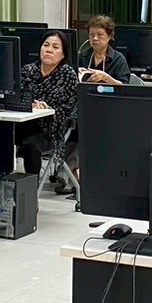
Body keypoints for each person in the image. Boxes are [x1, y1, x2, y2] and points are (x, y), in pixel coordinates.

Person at [16, 30, 80, 182]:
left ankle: (31, 192)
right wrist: (31, 104)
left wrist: (47, 108)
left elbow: (65, 109)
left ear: (63, 54)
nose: (49, 50)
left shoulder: (67, 74)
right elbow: (17, 97)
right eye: (46, 45)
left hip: (50, 130)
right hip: (22, 124)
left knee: (31, 148)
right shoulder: (27, 71)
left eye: (55, 47)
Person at [79, 15, 131, 85]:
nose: (95, 38)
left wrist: (106, 78)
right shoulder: (82, 56)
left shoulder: (118, 59)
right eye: (91, 34)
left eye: (99, 34)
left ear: (109, 36)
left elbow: (124, 86)